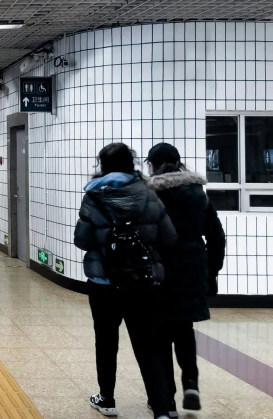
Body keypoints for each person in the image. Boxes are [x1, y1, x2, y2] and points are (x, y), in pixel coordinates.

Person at [74, 143, 177, 419]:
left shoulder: (94, 197)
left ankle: (106, 399)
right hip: (142, 284)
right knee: (150, 345)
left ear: (103, 166)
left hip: (104, 284)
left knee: (106, 341)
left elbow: (81, 240)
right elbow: (169, 237)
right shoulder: (149, 194)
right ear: (132, 164)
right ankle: (161, 407)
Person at [145, 143, 226, 412]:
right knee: (184, 329)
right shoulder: (197, 194)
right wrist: (212, 270)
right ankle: (191, 382)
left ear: (153, 166)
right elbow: (216, 235)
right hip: (193, 269)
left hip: (161, 271)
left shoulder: (152, 195)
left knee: (160, 335)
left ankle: (166, 399)